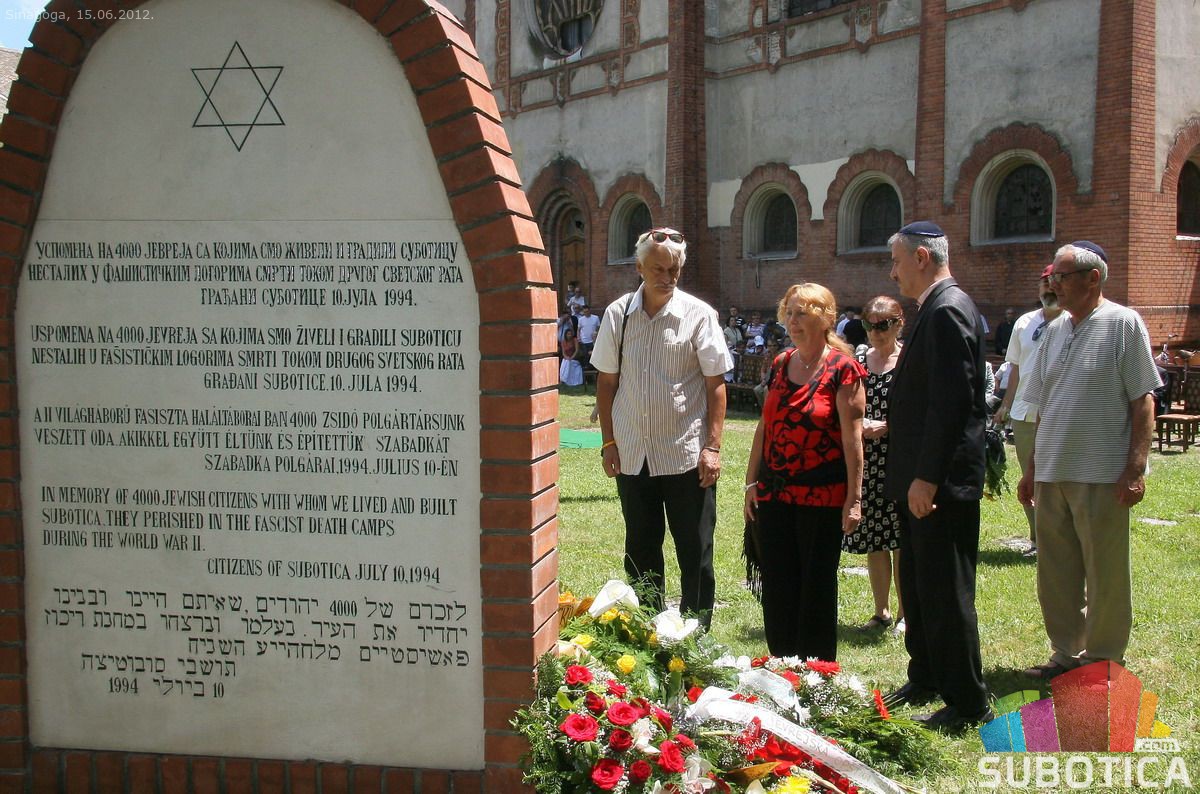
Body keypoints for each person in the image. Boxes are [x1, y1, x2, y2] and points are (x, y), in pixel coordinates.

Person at [1017, 242, 1161, 679]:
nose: (1053, 285)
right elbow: (1045, 404)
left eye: (1062, 277)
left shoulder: (1123, 323)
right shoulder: (1055, 330)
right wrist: (1032, 468)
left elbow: (1143, 400)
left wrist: (1134, 469)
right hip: (1052, 470)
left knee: (1105, 573)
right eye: (1052, 278)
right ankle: (1065, 653)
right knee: (1055, 571)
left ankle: (1101, 659)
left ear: (1092, 278)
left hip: (1101, 472)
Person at [882, 221, 993, 732]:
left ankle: (968, 700)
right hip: (918, 480)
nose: (893, 272)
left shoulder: (948, 309)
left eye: (897, 261)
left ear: (922, 258)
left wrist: (927, 476)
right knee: (919, 583)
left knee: (945, 590)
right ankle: (926, 674)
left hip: (939, 483)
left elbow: (952, 402)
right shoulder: (935, 307)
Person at [591, 227, 732, 629]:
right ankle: (648, 631)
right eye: (658, 269)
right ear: (639, 268)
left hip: (686, 453)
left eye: (673, 270)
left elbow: (715, 384)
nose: (667, 277)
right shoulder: (618, 314)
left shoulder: (699, 315)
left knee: (695, 549)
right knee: (640, 548)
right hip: (633, 452)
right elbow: (607, 383)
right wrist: (609, 442)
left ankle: (696, 633)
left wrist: (713, 447)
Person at [743, 283, 865, 661]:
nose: (792, 322)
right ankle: (781, 664)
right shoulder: (781, 363)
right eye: (789, 313)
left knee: (816, 587)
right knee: (777, 583)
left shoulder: (843, 370)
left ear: (825, 318)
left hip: (822, 496)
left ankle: (816, 671)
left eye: (802, 314)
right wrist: (751, 481)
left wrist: (854, 500)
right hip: (774, 492)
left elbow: (853, 441)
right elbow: (765, 425)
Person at [843, 296, 905, 635]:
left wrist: (889, 426)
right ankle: (881, 611)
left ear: (898, 324)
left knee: (900, 539)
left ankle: (905, 614)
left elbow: (919, 408)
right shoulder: (859, 360)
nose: (875, 332)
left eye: (882, 325)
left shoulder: (908, 360)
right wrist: (858, 425)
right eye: (869, 325)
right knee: (874, 538)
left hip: (898, 458)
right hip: (867, 459)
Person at [992, 265, 1063, 555]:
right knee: (1029, 477)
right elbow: (1016, 368)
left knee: (1057, 479)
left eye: (1054, 283)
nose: (1049, 289)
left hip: (1060, 414)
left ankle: (1060, 539)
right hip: (1024, 413)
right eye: (1044, 284)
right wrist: (1006, 405)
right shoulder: (1024, 323)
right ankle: (1037, 540)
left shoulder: (1074, 322)